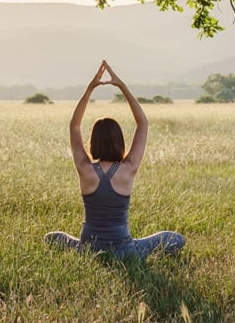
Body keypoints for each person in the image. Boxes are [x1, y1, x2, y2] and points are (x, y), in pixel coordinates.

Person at [44, 60, 185, 260]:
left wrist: (90, 88)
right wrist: (121, 86)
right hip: (125, 251)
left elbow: (74, 125)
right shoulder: (129, 168)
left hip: (88, 249)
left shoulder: (84, 168)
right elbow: (142, 123)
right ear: (120, 141)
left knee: (52, 237)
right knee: (176, 238)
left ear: (93, 143)